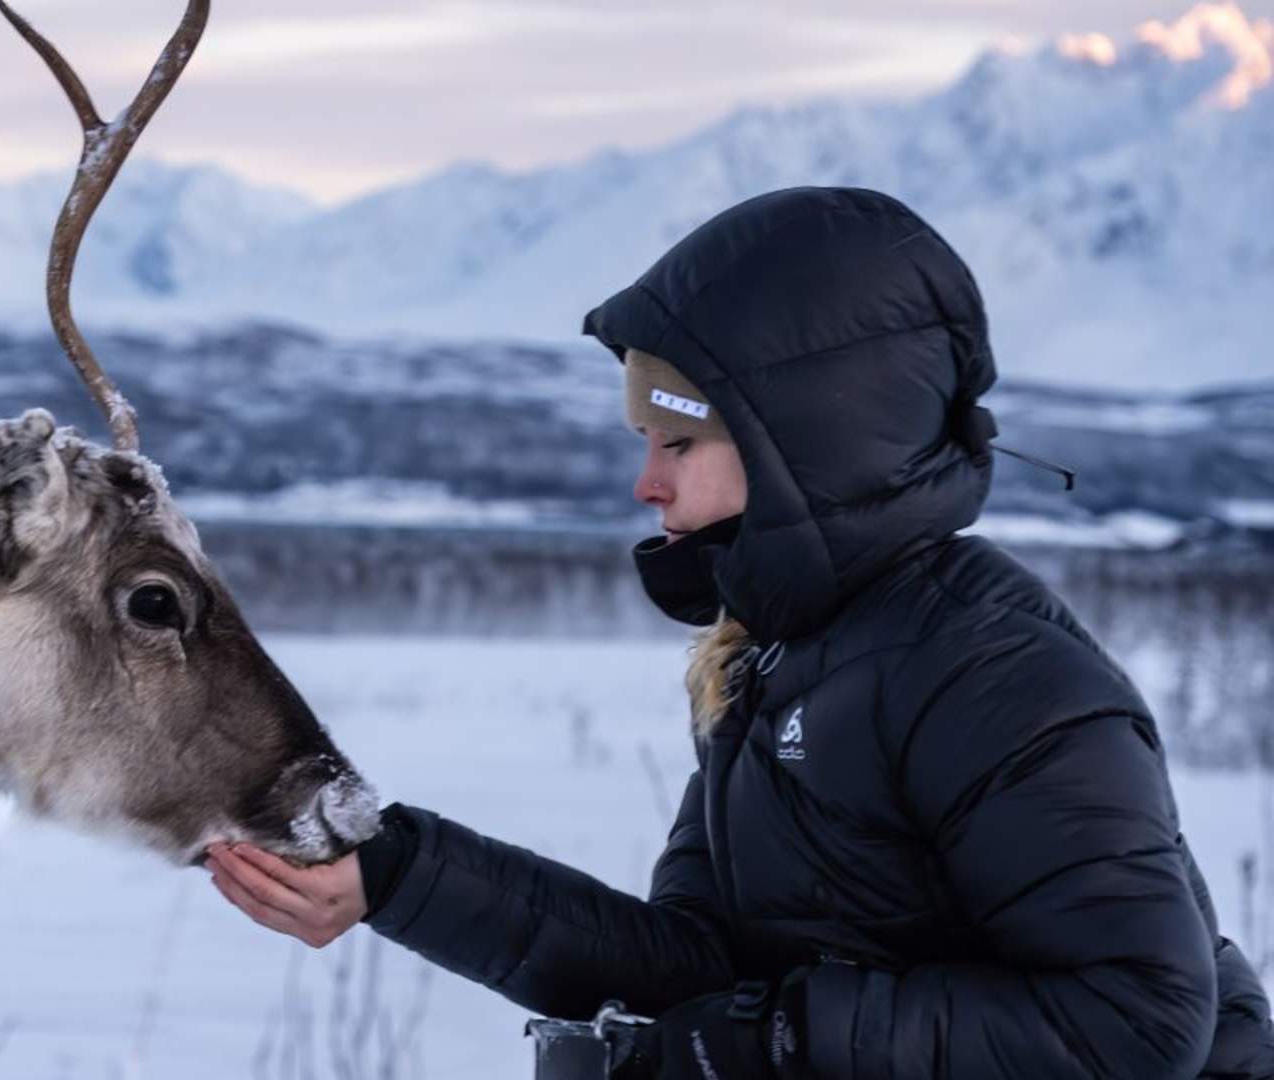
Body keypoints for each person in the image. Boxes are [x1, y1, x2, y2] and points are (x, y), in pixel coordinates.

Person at [204, 187, 1274, 1079]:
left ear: (811, 443)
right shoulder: (783, 657)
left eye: (677, 442)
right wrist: (395, 876)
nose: (645, 482)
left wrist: (783, 1040)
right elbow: (693, 968)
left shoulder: (993, 673)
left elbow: (1138, 1025)